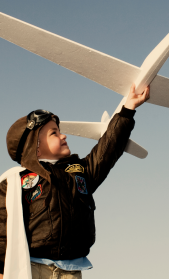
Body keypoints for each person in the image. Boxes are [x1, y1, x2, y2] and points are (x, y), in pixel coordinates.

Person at [0, 84, 150, 279]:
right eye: (54, 133)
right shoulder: (13, 181)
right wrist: (2, 270)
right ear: (34, 147)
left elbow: (107, 149)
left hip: (70, 271)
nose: (63, 135)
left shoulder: (80, 172)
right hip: (32, 268)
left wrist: (128, 109)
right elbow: (2, 229)